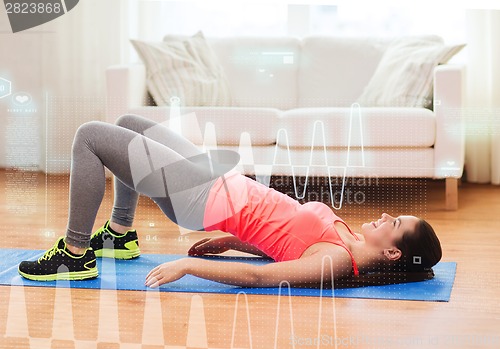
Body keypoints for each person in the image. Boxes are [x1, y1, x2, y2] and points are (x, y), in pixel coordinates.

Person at [18, 114, 442, 288]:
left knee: (90, 136)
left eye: (395, 222)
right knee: (130, 124)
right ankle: (119, 235)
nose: (386, 216)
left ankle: (74, 255)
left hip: (200, 196)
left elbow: (262, 277)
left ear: (391, 251)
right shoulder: (346, 238)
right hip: (217, 181)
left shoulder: (334, 261)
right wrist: (231, 241)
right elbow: (282, 240)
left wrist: (188, 266)